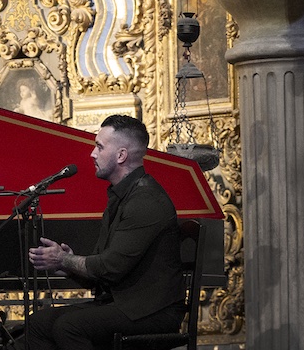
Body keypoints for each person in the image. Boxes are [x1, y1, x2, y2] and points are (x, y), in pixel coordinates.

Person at [24, 115, 185, 350]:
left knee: (69, 327)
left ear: (121, 155)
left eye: (99, 146)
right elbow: (104, 270)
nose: (92, 153)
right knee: (38, 323)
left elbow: (110, 268)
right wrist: (66, 265)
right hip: (124, 303)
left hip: (152, 311)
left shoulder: (145, 200)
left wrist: (64, 259)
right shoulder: (121, 196)